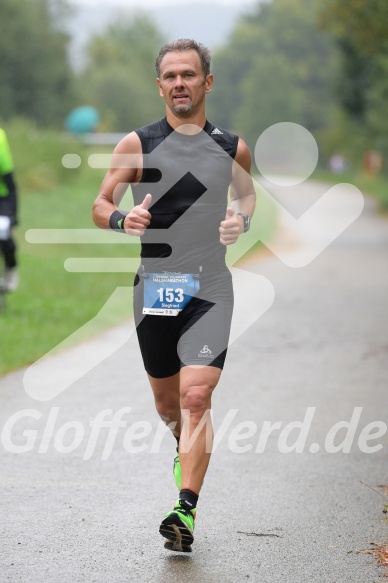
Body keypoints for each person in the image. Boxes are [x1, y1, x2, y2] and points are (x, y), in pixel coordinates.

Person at [92, 38, 256, 552]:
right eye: (171, 76)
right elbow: (99, 204)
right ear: (159, 84)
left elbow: (247, 195)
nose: (179, 83)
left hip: (210, 287)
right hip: (155, 288)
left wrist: (240, 220)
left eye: (189, 74)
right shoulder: (137, 145)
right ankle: (183, 446)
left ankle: (184, 508)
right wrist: (124, 218)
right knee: (168, 406)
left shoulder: (232, 147)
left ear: (207, 83)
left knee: (196, 396)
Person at [0, 127, 19, 292]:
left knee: (3, 233)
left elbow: (12, 187)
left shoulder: (1, 154)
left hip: (3, 199)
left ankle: (10, 269)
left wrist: (14, 214)